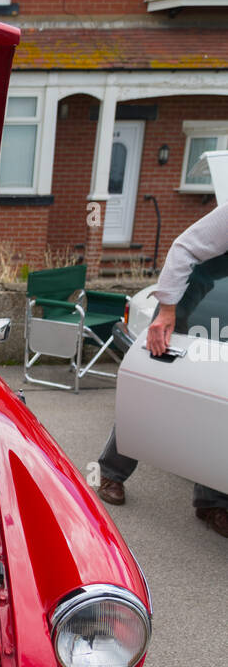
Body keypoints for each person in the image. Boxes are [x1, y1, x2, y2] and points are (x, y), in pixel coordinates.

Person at [96, 199, 228, 537]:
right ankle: (110, 470)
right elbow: (184, 248)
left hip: (221, 305)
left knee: (216, 401)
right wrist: (167, 311)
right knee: (154, 385)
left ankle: (212, 500)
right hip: (185, 296)